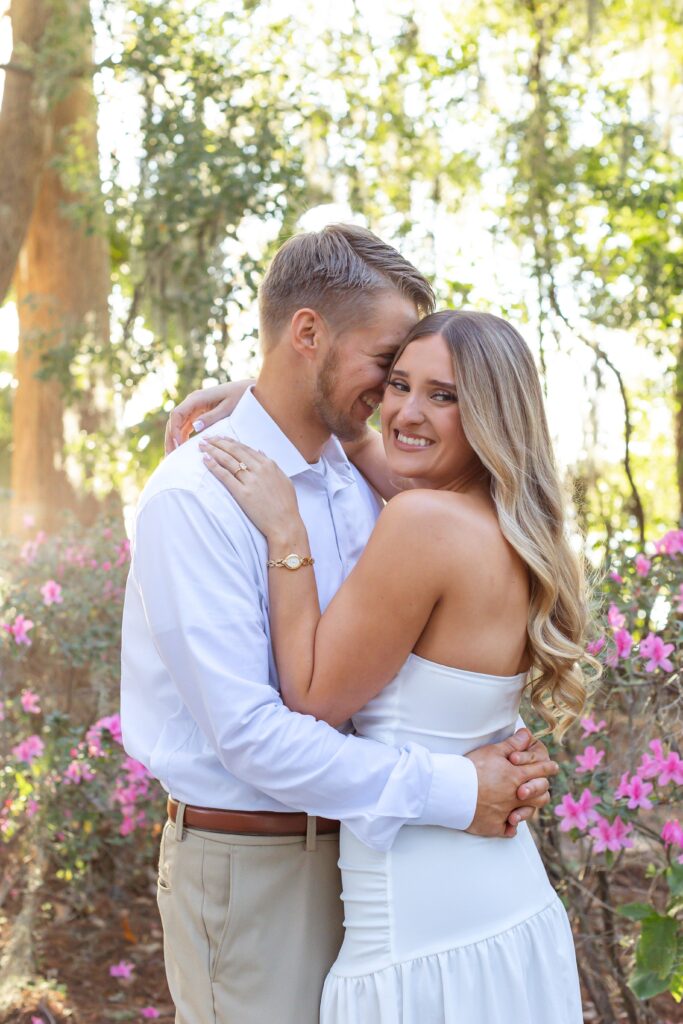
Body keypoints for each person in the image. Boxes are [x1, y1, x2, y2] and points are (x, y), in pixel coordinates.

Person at [121, 225, 557, 1024]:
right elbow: (254, 734)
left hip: (378, 857)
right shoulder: (194, 499)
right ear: (308, 333)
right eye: (386, 368)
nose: (393, 396)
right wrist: (457, 784)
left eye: (414, 381)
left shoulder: (360, 474)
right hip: (258, 870)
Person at [197, 309, 592, 1023]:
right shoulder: (499, 525)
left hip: (420, 927)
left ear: (493, 415)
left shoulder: (422, 523)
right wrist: (263, 400)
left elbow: (313, 698)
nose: (407, 412)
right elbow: (374, 441)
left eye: (443, 396)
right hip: (504, 905)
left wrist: (286, 532)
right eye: (397, 385)